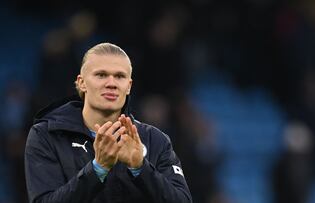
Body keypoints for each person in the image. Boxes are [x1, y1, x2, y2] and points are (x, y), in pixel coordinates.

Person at [24, 42, 192, 203]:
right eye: (101, 75)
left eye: (119, 76)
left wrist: (141, 168)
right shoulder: (47, 135)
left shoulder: (155, 140)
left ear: (128, 86)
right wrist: (98, 169)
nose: (111, 83)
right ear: (81, 83)